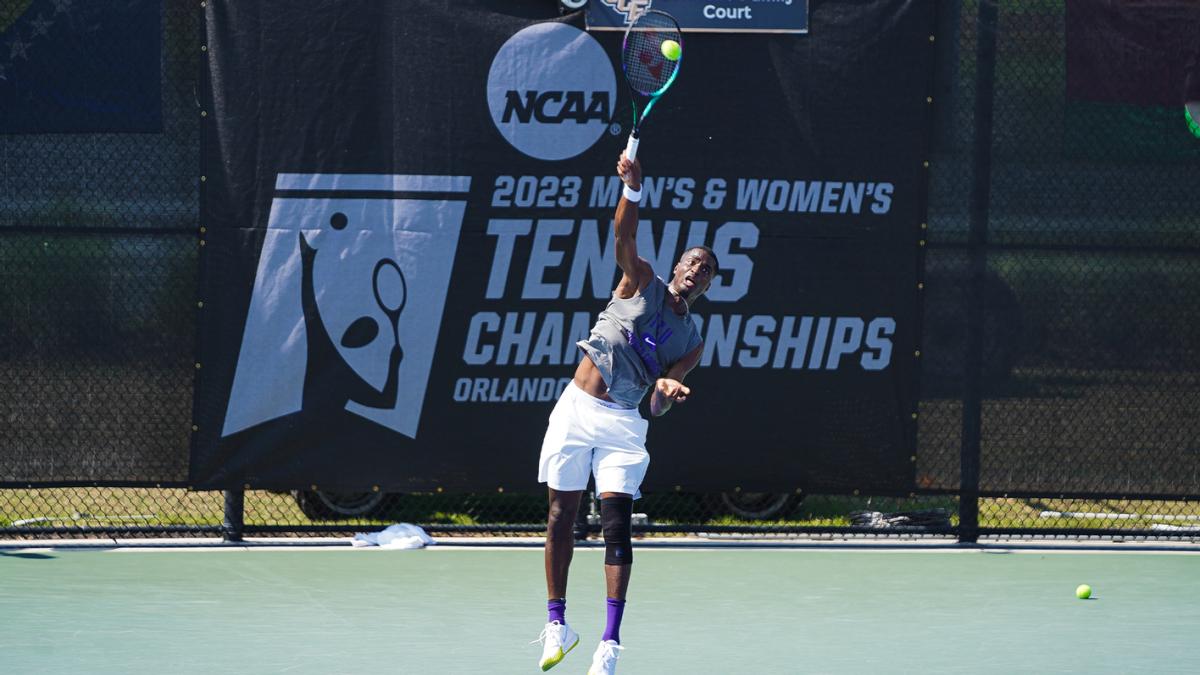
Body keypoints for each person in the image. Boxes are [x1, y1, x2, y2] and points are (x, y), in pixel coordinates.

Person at [532, 151, 719, 675]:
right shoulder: (640, 281)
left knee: (616, 525)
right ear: (678, 267)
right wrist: (632, 191)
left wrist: (665, 390)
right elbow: (623, 238)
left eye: (706, 270)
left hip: (623, 424)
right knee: (559, 515)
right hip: (576, 409)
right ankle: (557, 624)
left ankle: (609, 645)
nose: (697, 271)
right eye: (692, 263)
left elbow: (657, 406)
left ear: (706, 286)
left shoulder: (693, 342)